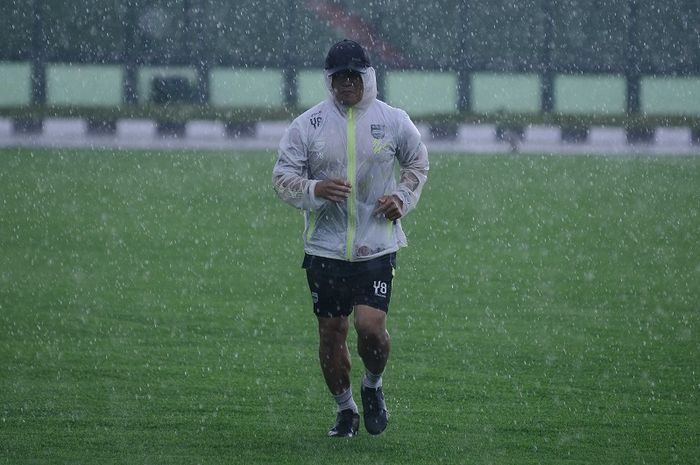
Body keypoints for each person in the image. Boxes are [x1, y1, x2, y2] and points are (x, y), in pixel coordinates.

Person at [272, 39, 429, 437]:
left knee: (371, 327)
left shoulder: (393, 120)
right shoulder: (307, 126)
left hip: (377, 244)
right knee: (331, 333)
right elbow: (282, 179)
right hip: (325, 249)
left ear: (368, 77)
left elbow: (417, 162)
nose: (346, 84)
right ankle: (345, 410)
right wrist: (314, 190)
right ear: (328, 80)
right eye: (337, 77)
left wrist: (403, 198)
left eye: (353, 76)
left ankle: (373, 385)